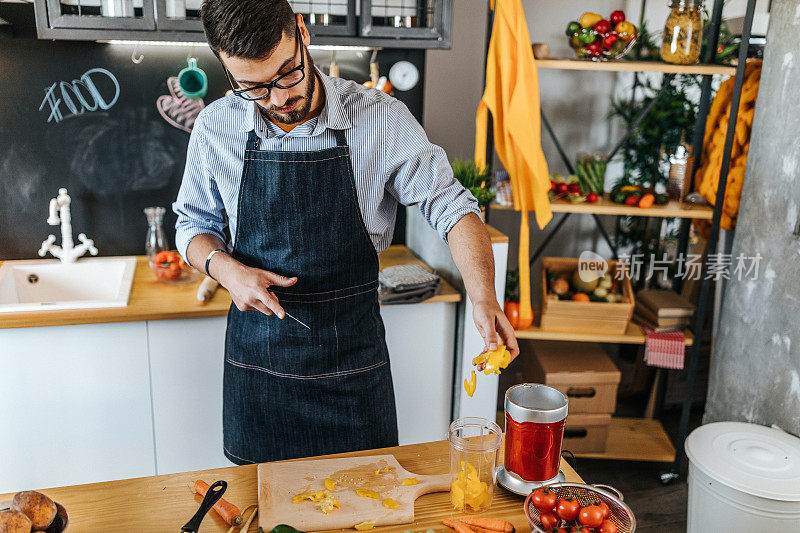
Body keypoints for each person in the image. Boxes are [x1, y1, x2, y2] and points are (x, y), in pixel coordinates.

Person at [173, 0, 519, 465]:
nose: (277, 99)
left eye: (287, 73)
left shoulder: (380, 119)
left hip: (352, 373)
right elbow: (193, 225)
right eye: (253, 88)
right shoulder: (216, 126)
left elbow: (454, 209)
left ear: (302, 32)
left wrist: (483, 296)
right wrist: (226, 270)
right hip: (259, 374)